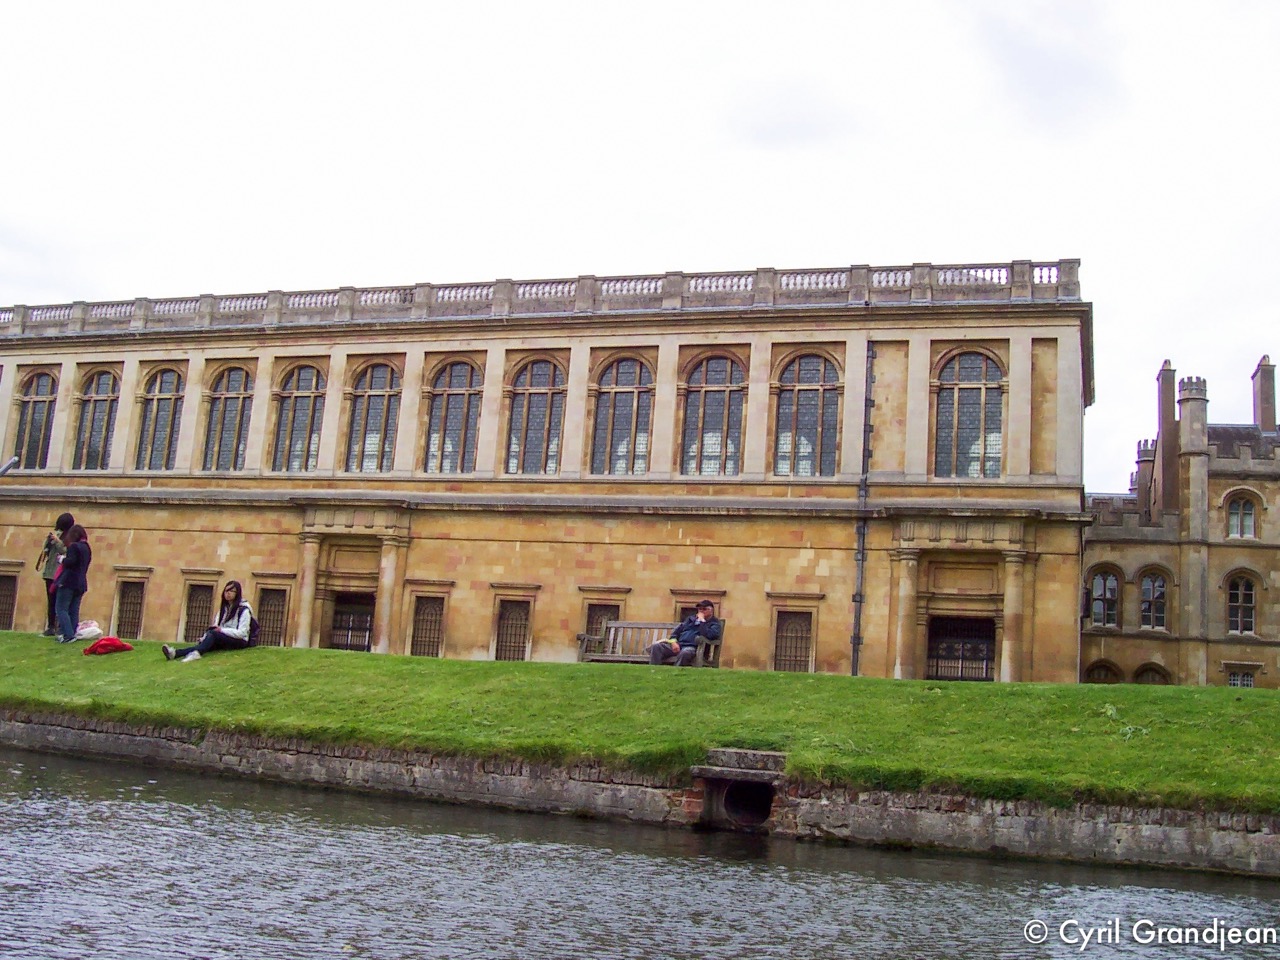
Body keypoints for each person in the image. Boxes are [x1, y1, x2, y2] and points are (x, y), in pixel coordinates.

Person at [163, 580, 253, 663]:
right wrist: (204, 637)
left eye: (231, 591)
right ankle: (175, 653)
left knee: (212, 635)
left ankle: (196, 654)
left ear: (237, 593)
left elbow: (242, 633)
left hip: (240, 641)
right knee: (204, 643)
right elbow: (215, 627)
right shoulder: (223, 609)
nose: (228, 593)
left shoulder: (244, 610)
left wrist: (221, 630)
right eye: (226, 591)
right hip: (225, 637)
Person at [648, 600, 722, 667]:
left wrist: (702, 622)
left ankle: (675, 673)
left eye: (704, 609)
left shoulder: (714, 623)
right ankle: (654, 670)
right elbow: (675, 633)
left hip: (693, 648)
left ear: (711, 611)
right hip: (679, 645)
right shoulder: (690, 619)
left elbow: (710, 635)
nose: (701, 611)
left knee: (685, 653)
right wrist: (673, 642)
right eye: (700, 609)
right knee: (656, 647)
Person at [54, 523, 92, 644]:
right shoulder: (87, 547)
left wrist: (61, 559)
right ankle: (72, 633)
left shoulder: (74, 547)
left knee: (61, 609)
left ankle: (68, 635)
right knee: (73, 610)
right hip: (81, 583)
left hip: (69, 581)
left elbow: (71, 562)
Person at [38, 513, 74, 636]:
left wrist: (58, 541)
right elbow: (45, 553)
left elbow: (65, 551)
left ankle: (61, 627)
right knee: (51, 601)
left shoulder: (70, 538)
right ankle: (50, 626)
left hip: (60, 574)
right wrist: (48, 542)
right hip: (49, 573)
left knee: (61, 602)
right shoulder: (56, 535)